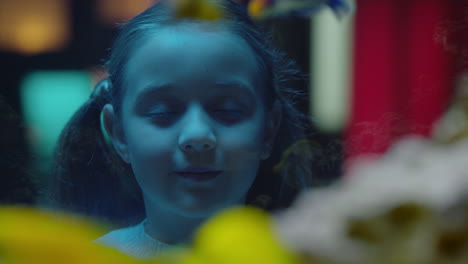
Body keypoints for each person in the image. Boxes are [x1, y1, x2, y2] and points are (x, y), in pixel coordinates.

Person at [49, 0, 314, 259]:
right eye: (162, 112)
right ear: (119, 133)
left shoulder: (319, 255)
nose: (197, 135)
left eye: (228, 110)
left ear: (268, 129)